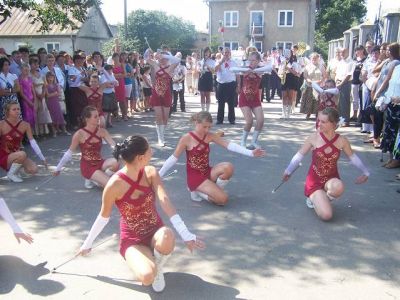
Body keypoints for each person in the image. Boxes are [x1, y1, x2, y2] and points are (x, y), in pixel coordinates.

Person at [77, 135, 205, 292]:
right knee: (146, 277)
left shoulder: (150, 172)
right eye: (149, 149)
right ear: (140, 157)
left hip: (155, 231)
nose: (152, 152)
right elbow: (103, 217)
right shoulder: (113, 185)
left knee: (167, 234)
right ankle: (152, 267)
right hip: (132, 239)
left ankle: (157, 264)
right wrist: (87, 244)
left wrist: (185, 234)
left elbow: (164, 200)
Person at [159, 111, 265, 206]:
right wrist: (158, 175)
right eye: (204, 127)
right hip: (195, 177)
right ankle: (197, 191)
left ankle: (211, 191)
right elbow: (173, 158)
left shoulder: (210, 136)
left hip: (207, 171)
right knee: (223, 200)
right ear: (196, 123)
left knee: (228, 167)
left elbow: (229, 145)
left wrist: (250, 153)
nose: (207, 130)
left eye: (209, 127)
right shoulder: (186, 138)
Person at [282, 107, 369, 221]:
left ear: (333, 124)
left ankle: (323, 198)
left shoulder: (342, 140)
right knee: (327, 215)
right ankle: (313, 198)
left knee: (339, 187)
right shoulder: (314, 137)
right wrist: (288, 171)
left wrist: (366, 172)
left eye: (323, 122)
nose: (319, 124)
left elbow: (353, 157)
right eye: (318, 120)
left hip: (331, 179)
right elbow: (299, 156)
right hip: (314, 181)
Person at [53, 106, 119, 189]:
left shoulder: (102, 131)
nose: (98, 118)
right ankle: (94, 178)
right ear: (87, 119)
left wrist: (123, 152)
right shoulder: (79, 134)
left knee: (116, 162)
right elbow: (69, 153)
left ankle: (98, 179)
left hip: (100, 162)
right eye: (95, 116)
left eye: (98, 115)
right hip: (88, 167)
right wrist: (58, 168)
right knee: (112, 186)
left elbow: (113, 145)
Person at [0, 101, 47, 182]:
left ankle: (15, 170)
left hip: (17, 154)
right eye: (14, 109)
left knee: (33, 169)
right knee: (22, 154)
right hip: (3, 155)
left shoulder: (25, 125)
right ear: (8, 111)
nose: (17, 111)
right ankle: (11, 174)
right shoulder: (1, 124)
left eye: (18, 109)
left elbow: (33, 142)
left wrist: (42, 158)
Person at [147, 50, 180, 146]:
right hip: (156, 93)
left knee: (165, 118)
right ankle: (160, 138)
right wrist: (152, 54)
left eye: (164, 58)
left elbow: (177, 60)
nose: (162, 60)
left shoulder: (171, 67)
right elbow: (147, 58)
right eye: (161, 58)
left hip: (166, 94)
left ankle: (162, 134)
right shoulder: (156, 66)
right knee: (159, 116)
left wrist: (166, 55)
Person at [237, 51, 265, 149]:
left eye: (253, 60)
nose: (251, 62)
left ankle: (253, 142)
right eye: (250, 60)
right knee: (249, 121)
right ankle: (243, 141)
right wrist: (247, 70)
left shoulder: (261, 70)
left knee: (261, 120)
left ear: (258, 61)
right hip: (244, 98)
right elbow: (236, 70)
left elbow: (269, 68)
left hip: (255, 98)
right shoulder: (245, 69)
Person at [215, 47, 239, 125]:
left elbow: (237, 75)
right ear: (223, 53)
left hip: (231, 84)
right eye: (225, 52)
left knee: (231, 103)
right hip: (221, 84)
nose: (226, 54)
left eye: (228, 52)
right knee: (220, 103)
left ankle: (231, 119)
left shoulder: (234, 63)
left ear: (230, 54)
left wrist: (238, 85)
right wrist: (221, 62)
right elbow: (214, 70)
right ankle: (219, 119)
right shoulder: (218, 62)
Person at [300, 53, 326, 119]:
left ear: (318, 59)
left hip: (319, 85)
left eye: (316, 58)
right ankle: (308, 113)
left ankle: (317, 114)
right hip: (310, 85)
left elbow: (324, 76)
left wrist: (320, 81)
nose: (314, 59)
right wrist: (308, 80)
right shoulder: (308, 66)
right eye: (313, 58)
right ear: (311, 59)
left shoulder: (321, 66)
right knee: (309, 100)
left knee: (317, 101)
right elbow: (305, 75)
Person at [44, 72, 68, 137]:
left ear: (54, 77)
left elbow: (59, 93)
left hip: (56, 102)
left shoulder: (56, 84)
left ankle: (64, 130)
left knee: (60, 115)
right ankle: (54, 132)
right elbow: (47, 96)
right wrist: (54, 93)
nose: (50, 79)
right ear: (46, 78)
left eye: (51, 77)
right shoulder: (46, 86)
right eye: (49, 77)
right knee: (52, 117)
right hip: (50, 103)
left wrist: (54, 93)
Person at [197, 47, 215, 112]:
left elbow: (213, 71)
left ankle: (207, 110)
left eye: (208, 52)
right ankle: (203, 110)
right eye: (205, 52)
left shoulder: (212, 61)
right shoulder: (200, 61)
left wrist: (207, 65)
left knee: (207, 95)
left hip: (208, 76)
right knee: (202, 94)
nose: (206, 53)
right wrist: (199, 69)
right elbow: (197, 69)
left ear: (210, 53)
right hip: (202, 77)